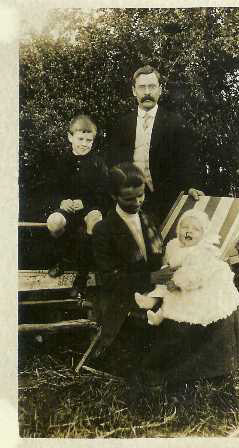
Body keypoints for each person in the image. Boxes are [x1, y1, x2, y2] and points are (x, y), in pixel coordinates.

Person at [91, 162, 175, 357]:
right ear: (114, 196)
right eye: (129, 198)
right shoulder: (103, 229)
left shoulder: (149, 218)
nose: (137, 202)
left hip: (155, 292)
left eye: (141, 195)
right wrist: (151, 278)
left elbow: (158, 256)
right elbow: (110, 280)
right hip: (123, 301)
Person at [107, 65, 205, 225]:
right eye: (141, 87)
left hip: (164, 200)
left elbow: (187, 161)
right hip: (129, 200)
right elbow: (113, 164)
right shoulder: (122, 125)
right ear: (134, 91)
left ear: (160, 89)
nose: (147, 92)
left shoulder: (175, 123)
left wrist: (191, 186)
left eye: (152, 87)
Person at [135, 209, 239, 327]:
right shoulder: (174, 245)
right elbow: (168, 261)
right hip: (171, 279)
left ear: (203, 235)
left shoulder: (201, 251)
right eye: (185, 227)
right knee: (163, 285)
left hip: (190, 284)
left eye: (196, 229)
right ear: (178, 230)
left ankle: (159, 316)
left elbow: (195, 274)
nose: (189, 231)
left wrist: (176, 282)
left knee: (174, 300)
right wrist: (165, 271)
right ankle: (151, 300)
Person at [46, 114, 110, 298]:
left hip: (90, 207)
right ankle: (63, 260)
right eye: (80, 139)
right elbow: (49, 190)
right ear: (70, 137)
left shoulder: (98, 163)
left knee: (95, 221)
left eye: (89, 140)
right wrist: (61, 201)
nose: (84, 143)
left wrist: (86, 203)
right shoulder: (61, 162)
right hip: (66, 209)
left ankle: (82, 276)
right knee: (54, 222)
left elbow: (105, 195)